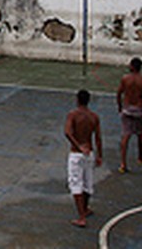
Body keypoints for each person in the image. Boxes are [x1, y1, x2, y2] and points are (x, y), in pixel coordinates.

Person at [63, 89, 102, 229]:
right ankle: (84, 209)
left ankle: (81, 217)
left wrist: (78, 146)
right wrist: (99, 155)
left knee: (76, 184)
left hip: (77, 153)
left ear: (77, 100)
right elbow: (98, 138)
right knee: (87, 183)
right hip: (89, 152)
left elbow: (67, 132)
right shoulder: (94, 117)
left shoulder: (73, 115)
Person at [116, 57, 142, 173]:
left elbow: (119, 93)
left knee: (126, 136)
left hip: (127, 108)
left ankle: (123, 163)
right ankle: (140, 157)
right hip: (139, 109)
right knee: (141, 135)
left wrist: (120, 106)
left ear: (132, 66)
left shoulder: (125, 79)